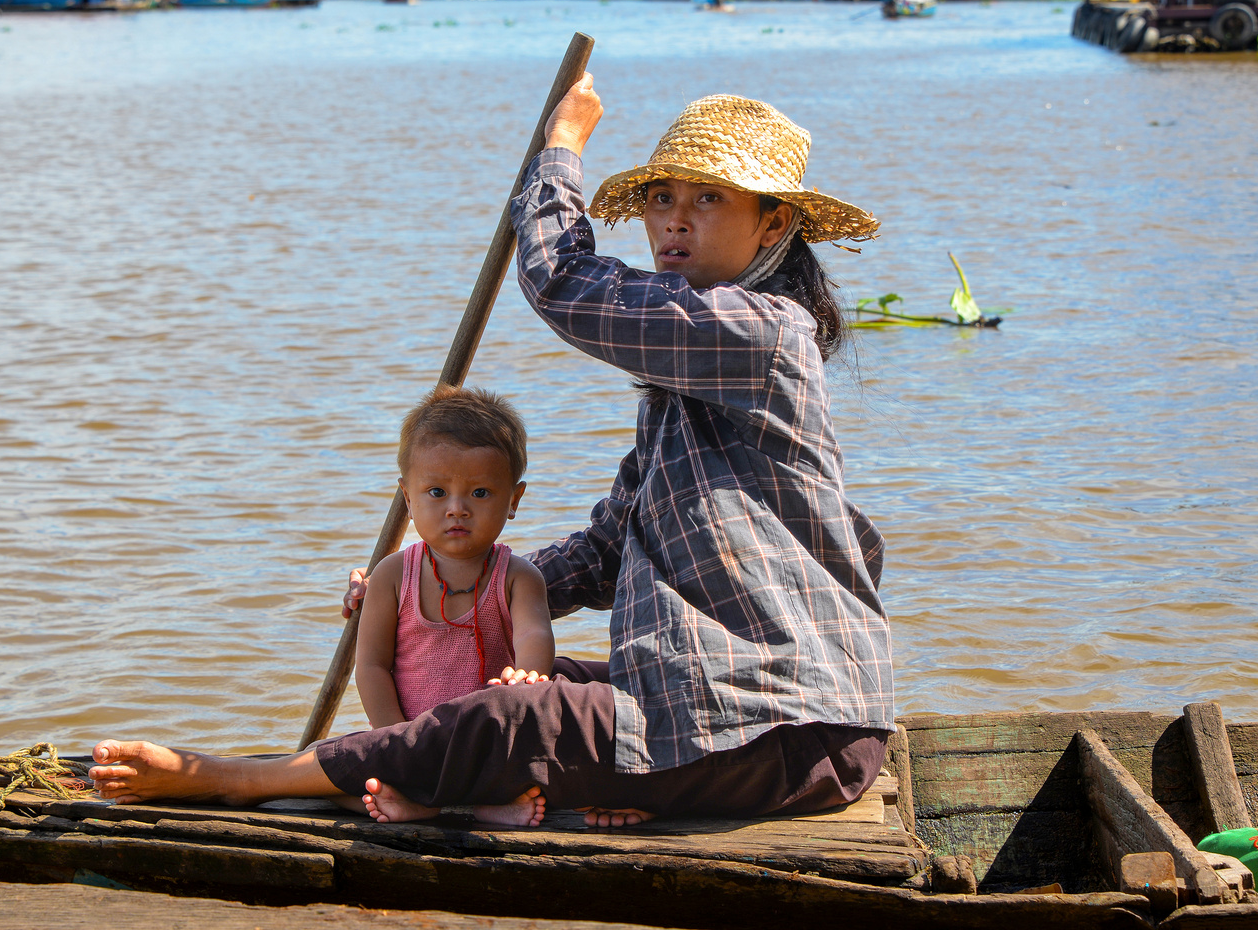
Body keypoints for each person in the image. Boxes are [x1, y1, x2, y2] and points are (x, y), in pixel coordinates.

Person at [87, 76, 896, 829]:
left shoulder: (763, 332)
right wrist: (448, 576)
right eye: (659, 198)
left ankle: (235, 779)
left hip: (793, 726)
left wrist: (563, 145)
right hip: (725, 701)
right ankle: (461, 785)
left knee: (517, 714)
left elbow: (563, 282)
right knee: (518, 677)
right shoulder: (686, 396)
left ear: (775, 223)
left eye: (708, 200)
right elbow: (606, 551)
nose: (673, 221)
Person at [339, 385, 554, 826]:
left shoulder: (517, 577)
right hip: (409, 737)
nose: (457, 509)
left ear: (513, 499)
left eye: (479, 493)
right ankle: (418, 800)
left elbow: (535, 634)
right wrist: (396, 738)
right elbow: (372, 666)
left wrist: (530, 674)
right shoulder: (391, 575)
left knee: (543, 760)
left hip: (486, 746)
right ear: (407, 497)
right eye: (436, 492)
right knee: (333, 769)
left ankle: (483, 804)